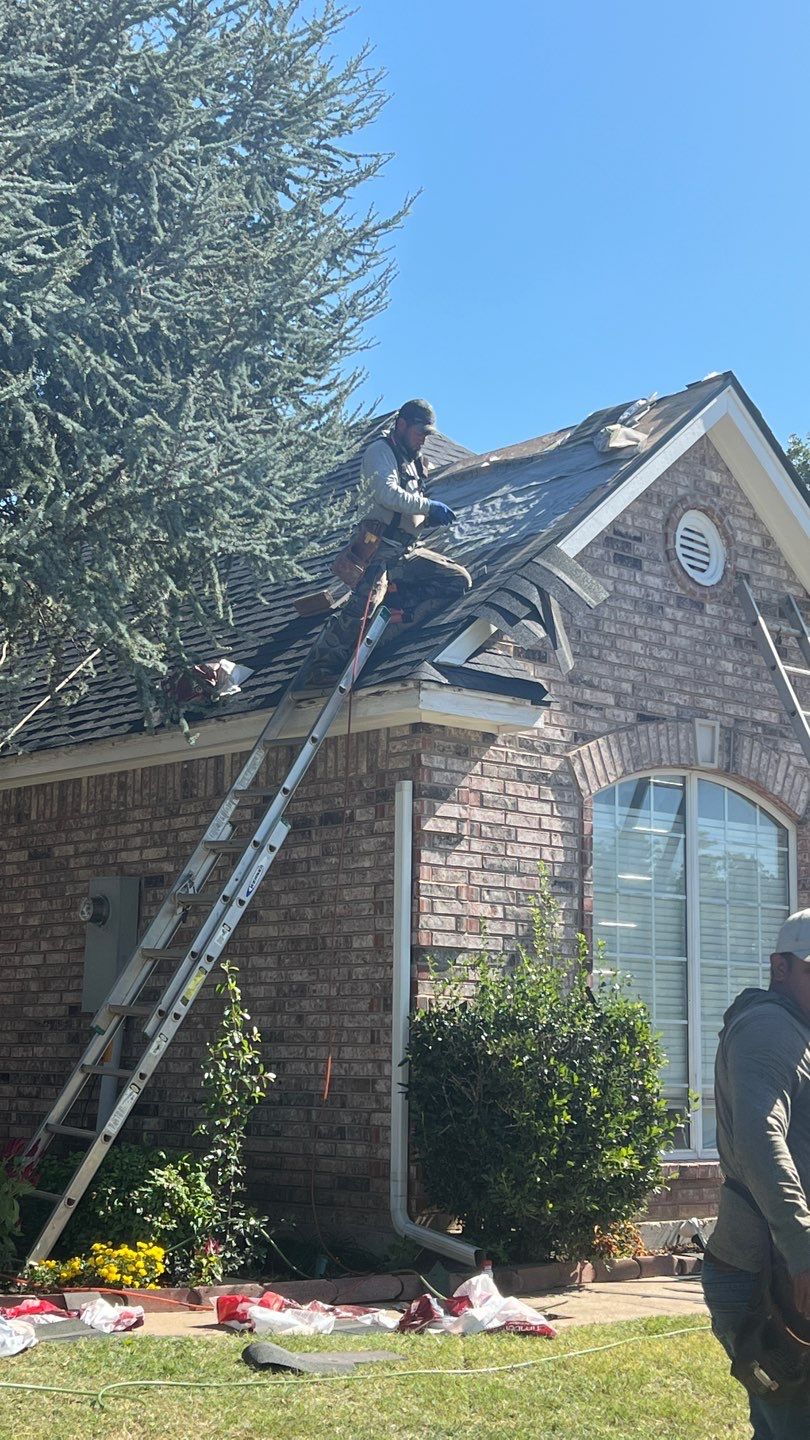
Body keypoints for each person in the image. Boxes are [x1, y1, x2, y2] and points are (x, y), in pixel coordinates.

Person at [702, 907, 810, 1439]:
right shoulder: (771, 1026)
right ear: (779, 968)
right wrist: (804, 1250)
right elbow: (758, 1136)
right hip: (770, 1277)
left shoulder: (796, 1028)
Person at [320, 399, 471, 664]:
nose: (423, 440)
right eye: (419, 432)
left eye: (427, 434)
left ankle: (389, 629)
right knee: (362, 610)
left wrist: (425, 519)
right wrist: (428, 506)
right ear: (401, 425)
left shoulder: (413, 463)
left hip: (407, 551)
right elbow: (387, 493)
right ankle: (325, 663)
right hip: (379, 548)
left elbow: (406, 506)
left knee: (456, 580)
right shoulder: (381, 451)